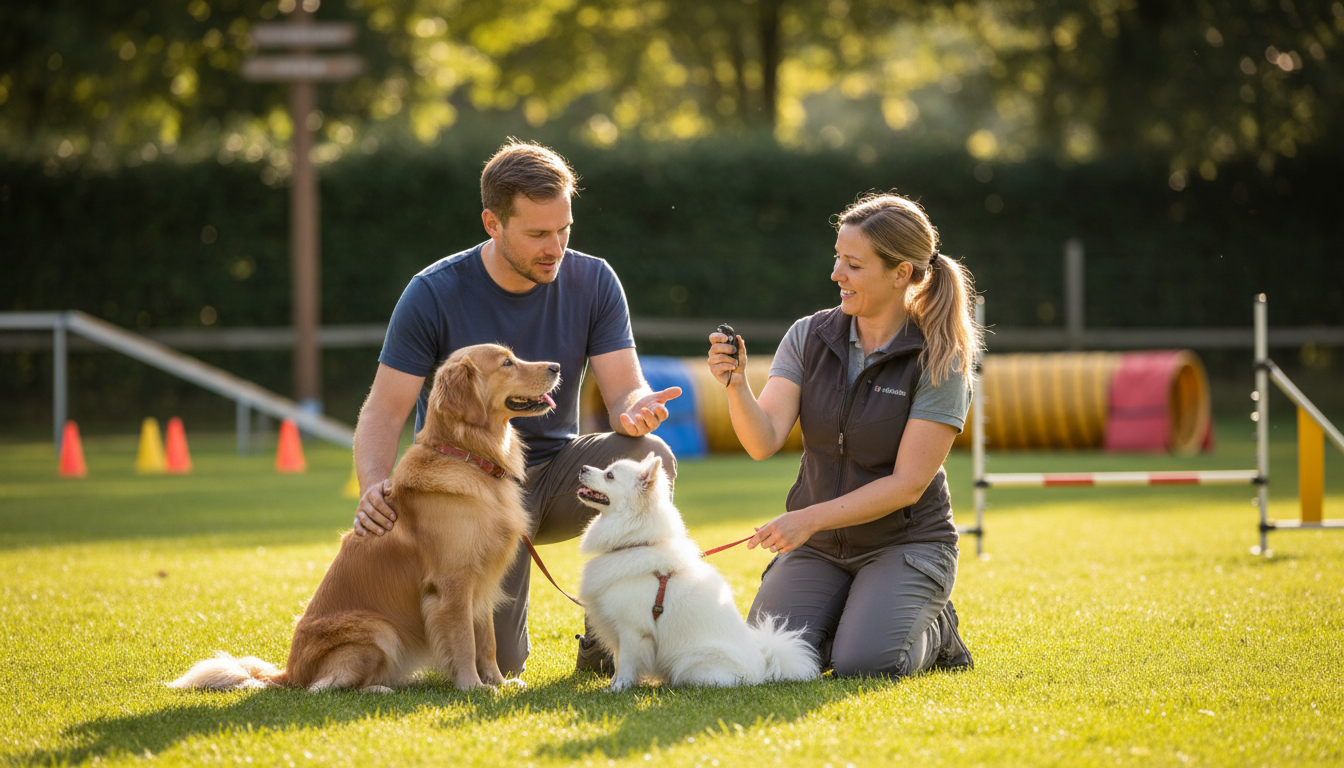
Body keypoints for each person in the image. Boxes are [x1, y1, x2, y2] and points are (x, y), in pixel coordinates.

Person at [352, 139, 681, 676]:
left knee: (652, 456)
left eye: (564, 230)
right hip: (466, 488)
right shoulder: (432, 292)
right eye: (537, 234)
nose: (555, 247)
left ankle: (609, 645)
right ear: (492, 222)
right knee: (502, 661)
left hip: (555, 475)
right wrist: (372, 487)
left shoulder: (594, 279)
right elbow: (383, 412)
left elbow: (625, 389)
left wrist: (637, 405)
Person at [706, 192, 980, 678]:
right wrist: (735, 386)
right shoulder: (809, 335)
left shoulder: (940, 359)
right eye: (838, 258)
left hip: (906, 542)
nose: (836, 274)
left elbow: (908, 484)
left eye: (853, 264)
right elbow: (762, 439)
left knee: (863, 663)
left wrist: (806, 518)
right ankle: (860, 615)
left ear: (900, 274)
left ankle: (936, 630)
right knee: (769, 661)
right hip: (821, 545)